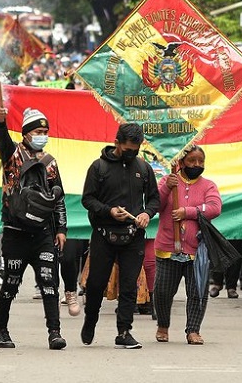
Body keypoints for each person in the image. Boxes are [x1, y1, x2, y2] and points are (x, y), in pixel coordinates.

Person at [0, 106, 68, 350]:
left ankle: (54, 333)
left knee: (49, 282)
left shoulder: (50, 162)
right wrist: (1, 122)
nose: (42, 135)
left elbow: (59, 197)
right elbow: (1, 140)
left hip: (43, 234)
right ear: (25, 134)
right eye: (37, 131)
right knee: (11, 283)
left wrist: (61, 229)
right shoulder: (12, 155)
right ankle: (0, 329)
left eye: (45, 131)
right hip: (15, 232)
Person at [80, 123, 160, 349]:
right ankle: (90, 320)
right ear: (116, 143)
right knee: (96, 284)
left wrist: (146, 213)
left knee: (129, 286)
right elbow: (88, 199)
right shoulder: (98, 168)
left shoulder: (144, 169)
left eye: (136, 150)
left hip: (133, 236)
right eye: (128, 149)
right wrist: (108, 211)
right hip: (104, 235)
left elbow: (154, 199)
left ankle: (124, 331)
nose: (131, 153)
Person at [154, 145, 221, 345]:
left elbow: (214, 207)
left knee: (197, 292)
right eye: (192, 161)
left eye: (201, 161)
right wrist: (167, 187)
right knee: (163, 291)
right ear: (181, 162)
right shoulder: (168, 181)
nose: (197, 165)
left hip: (197, 250)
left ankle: (193, 330)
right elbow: (155, 205)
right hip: (168, 247)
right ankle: (162, 326)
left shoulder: (208, 185)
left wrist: (188, 212)